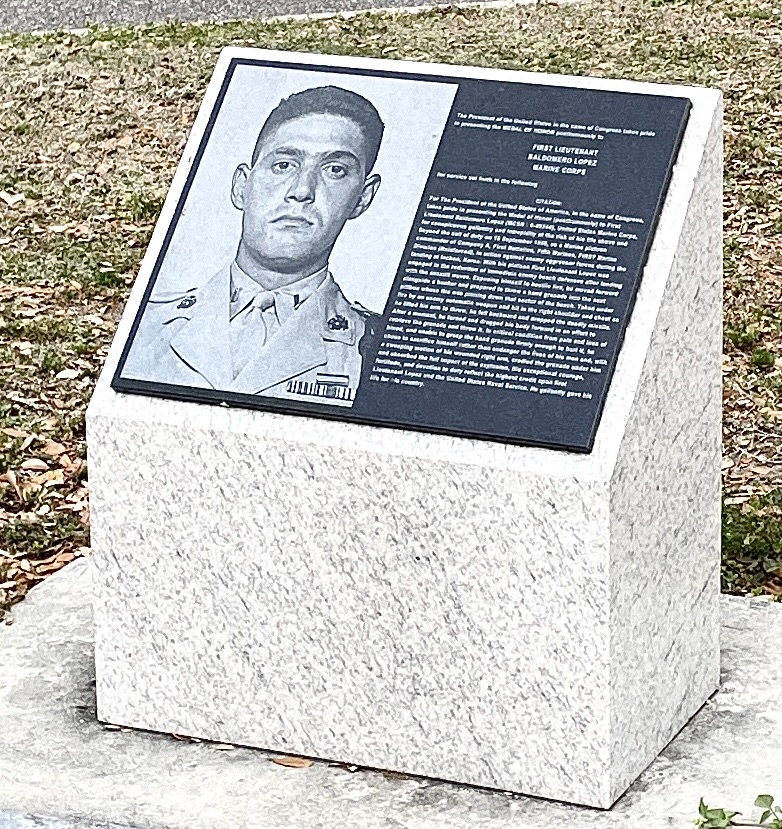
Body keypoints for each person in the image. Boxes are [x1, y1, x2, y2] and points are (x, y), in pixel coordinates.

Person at [122, 85, 384, 407]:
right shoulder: (149, 321)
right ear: (241, 186)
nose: (302, 191)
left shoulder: (377, 346)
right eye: (284, 165)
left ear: (362, 198)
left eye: (335, 170)